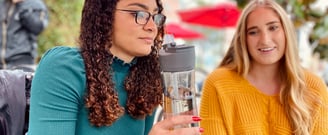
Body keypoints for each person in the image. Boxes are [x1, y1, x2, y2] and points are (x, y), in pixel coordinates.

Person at [28, 0, 204, 135]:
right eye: (139, 13)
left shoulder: (145, 78)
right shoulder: (64, 68)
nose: (152, 27)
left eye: (156, 16)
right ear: (104, 14)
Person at [199, 0, 328, 135]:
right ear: (244, 39)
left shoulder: (315, 88)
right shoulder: (218, 84)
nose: (265, 40)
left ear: (286, 32)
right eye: (253, 32)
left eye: (273, 28)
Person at [0, 0, 48, 70]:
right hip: (1, 65)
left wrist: (21, 6)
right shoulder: (3, 4)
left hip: (22, 62)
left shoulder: (36, 4)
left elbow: (38, 27)